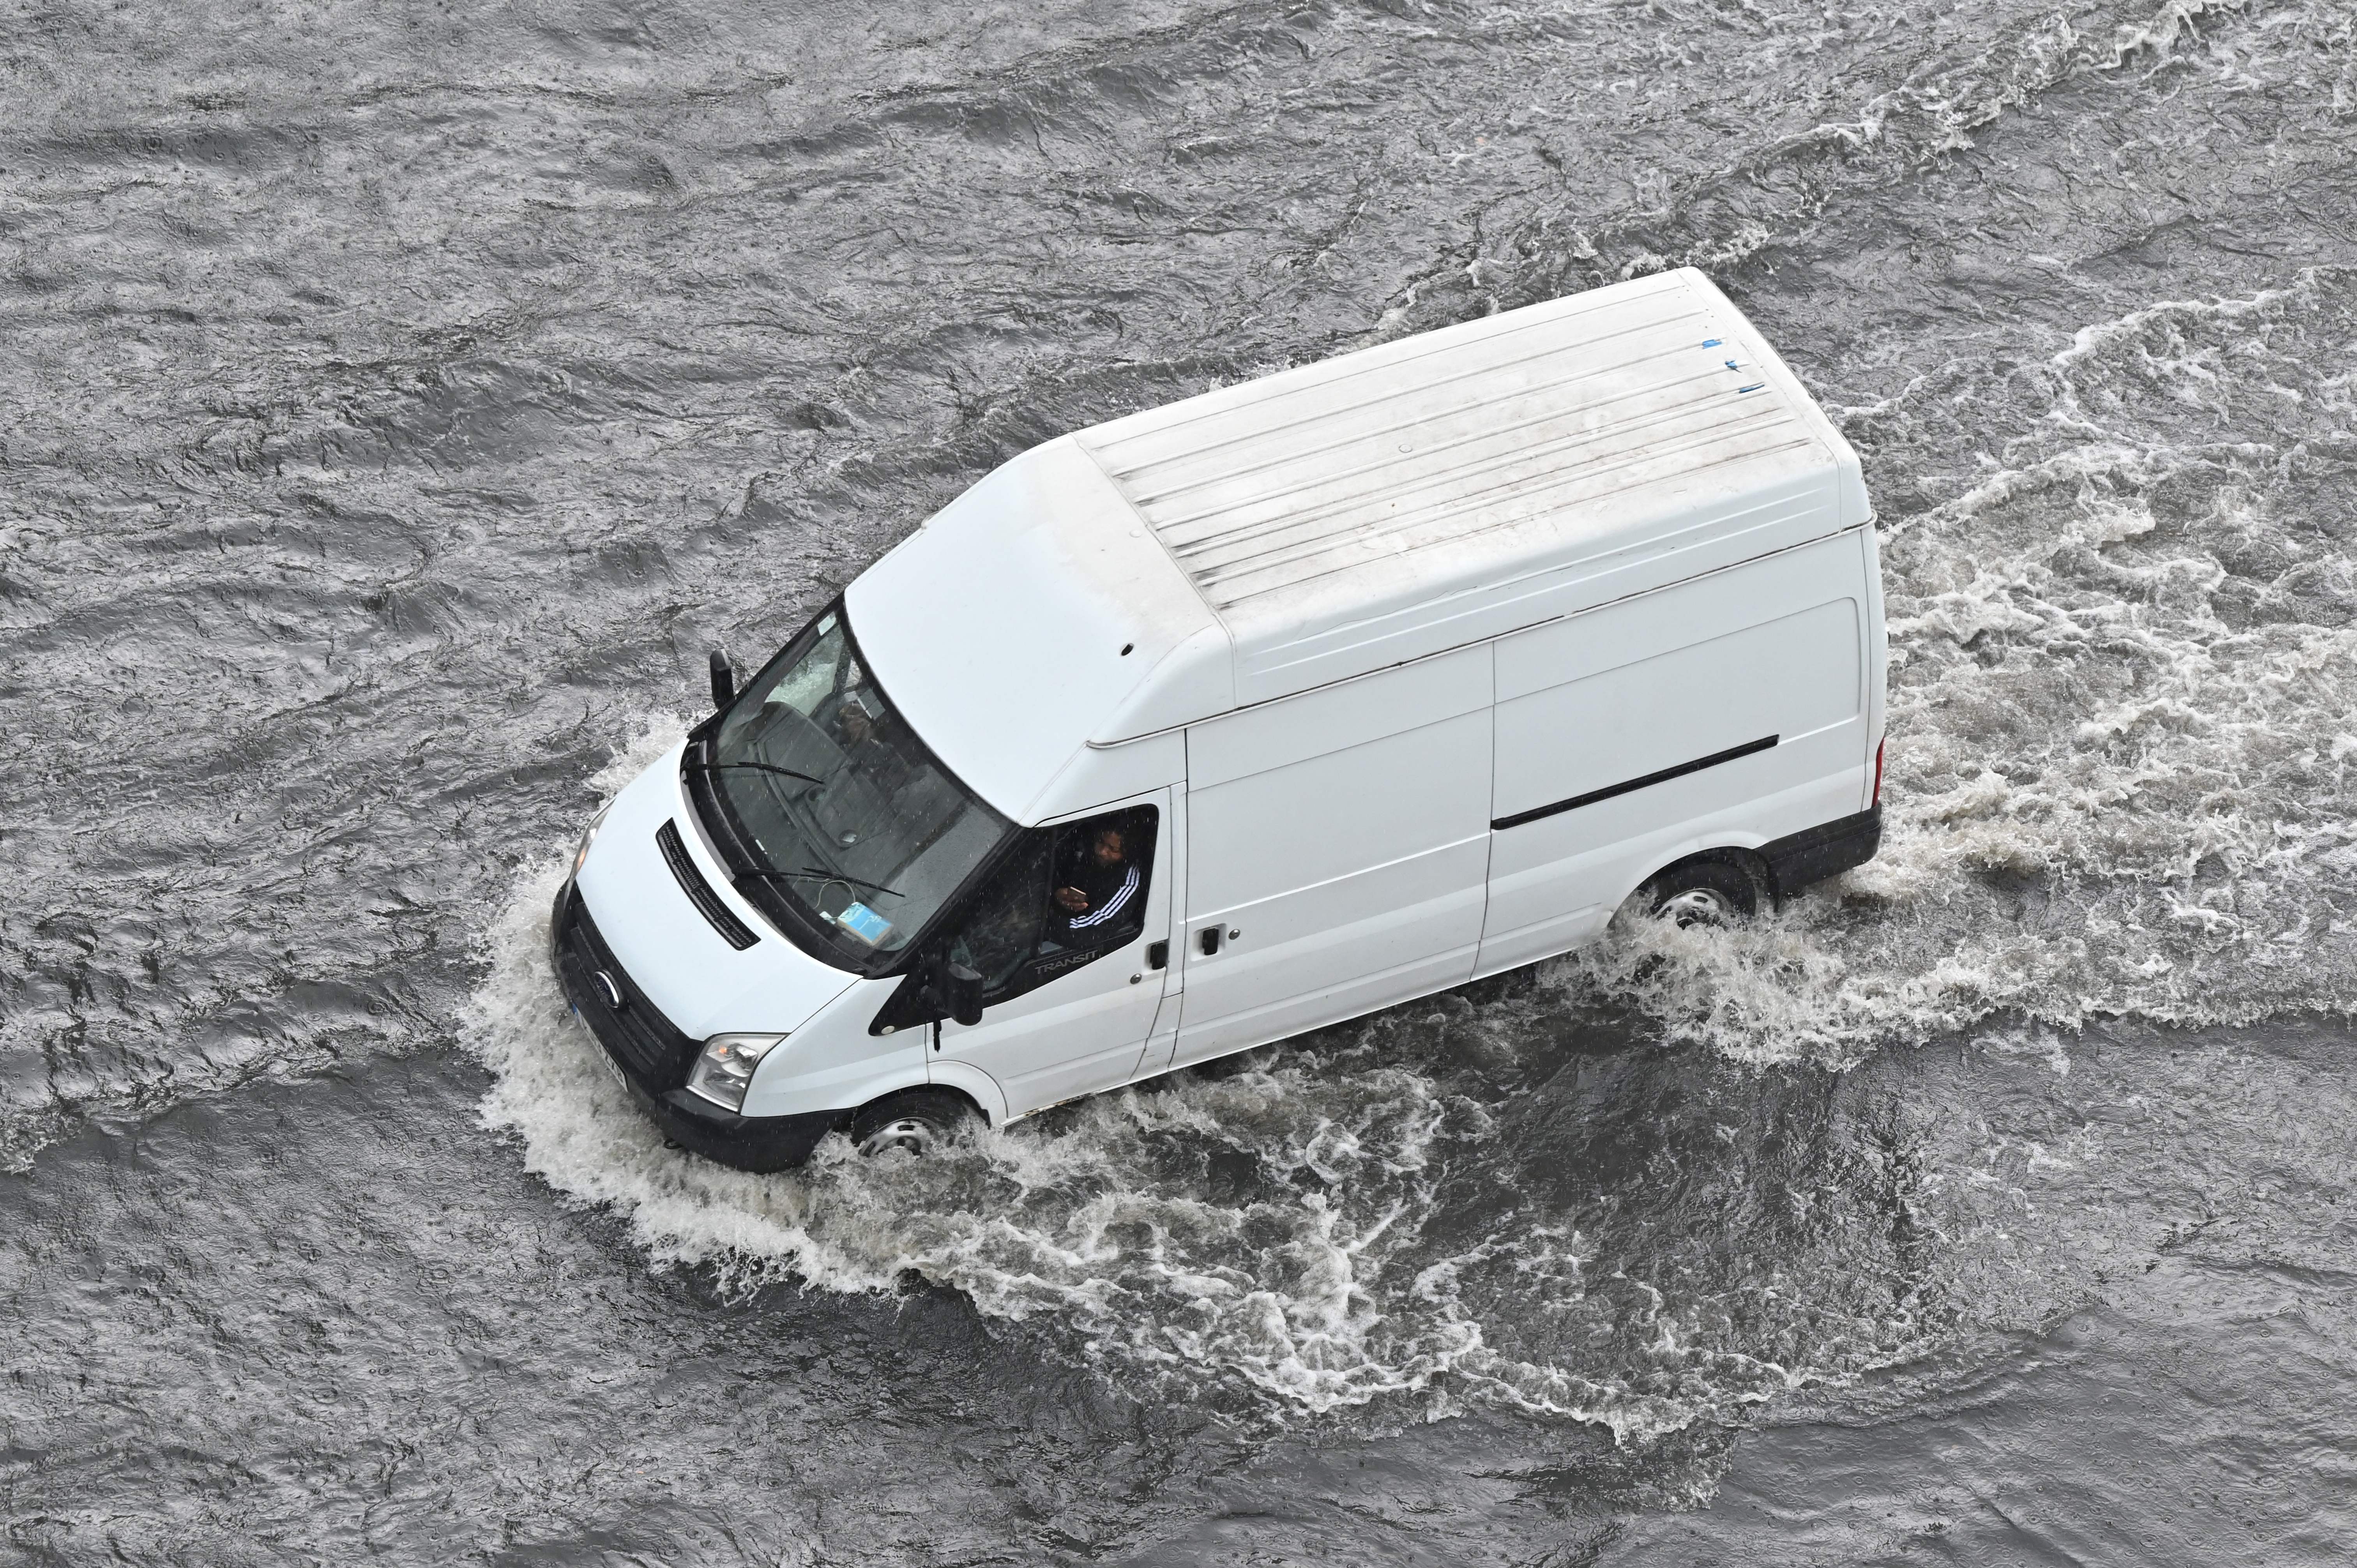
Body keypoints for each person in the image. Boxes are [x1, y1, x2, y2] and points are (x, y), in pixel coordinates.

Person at [1051, 823, 1141, 945]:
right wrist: (1057, 895)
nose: (1102, 852)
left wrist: (1037, 924)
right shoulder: (1083, 849)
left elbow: (1083, 932)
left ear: (1127, 853)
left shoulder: (1128, 883)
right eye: (1100, 842)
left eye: (1114, 849)